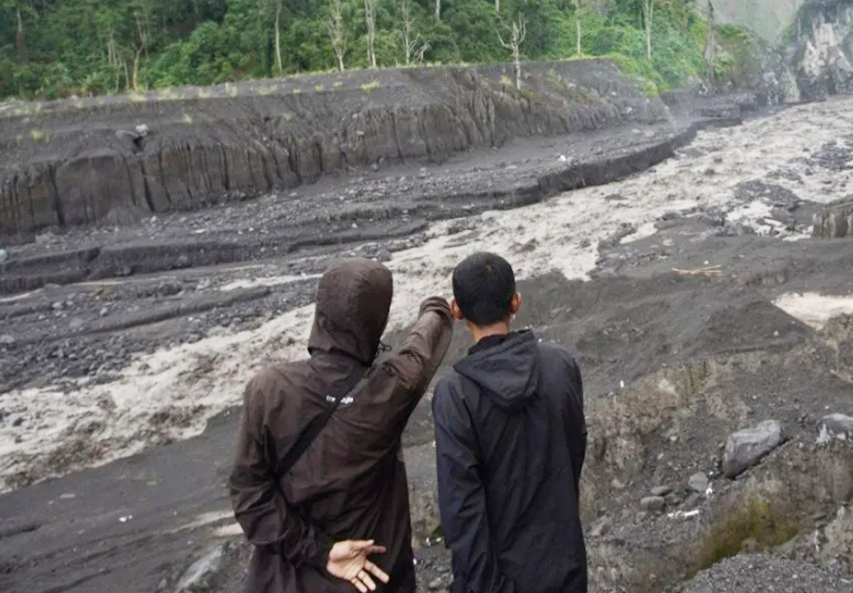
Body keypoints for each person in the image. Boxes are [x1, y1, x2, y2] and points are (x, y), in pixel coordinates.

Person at [230, 257, 453, 593]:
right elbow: (421, 347)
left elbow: (249, 495)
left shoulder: (268, 388)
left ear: (321, 314)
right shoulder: (391, 389)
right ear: (376, 321)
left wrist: (319, 551)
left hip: (286, 580)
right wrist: (437, 307)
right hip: (373, 578)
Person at [432, 252, 588, 593]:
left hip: (495, 578)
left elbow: (460, 509)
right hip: (565, 567)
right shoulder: (560, 366)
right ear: (515, 302)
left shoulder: (455, 396)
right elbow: (574, 451)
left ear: (457, 310)